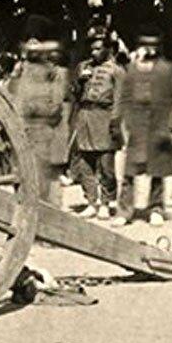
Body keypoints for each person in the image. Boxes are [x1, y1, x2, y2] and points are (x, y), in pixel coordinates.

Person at [114, 23, 172, 227]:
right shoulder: (131, 70)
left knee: (157, 170)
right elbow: (123, 98)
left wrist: (170, 126)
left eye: (154, 46)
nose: (149, 50)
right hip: (137, 125)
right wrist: (122, 123)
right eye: (145, 45)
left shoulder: (167, 69)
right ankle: (124, 210)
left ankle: (157, 208)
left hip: (159, 124)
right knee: (130, 171)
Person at [7, 15, 69, 205]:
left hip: (43, 133)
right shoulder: (19, 70)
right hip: (20, 132)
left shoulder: (55, 73)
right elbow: (8, 96)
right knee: (21, 177)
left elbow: (55, 107)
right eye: (29, 42)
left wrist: (32, 108)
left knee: (43, 181)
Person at [69, 28, 124, 219]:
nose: (94, 53)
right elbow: (74, 94)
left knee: (106, 165)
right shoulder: (83, 66)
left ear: (108, 50)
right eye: (92, 49)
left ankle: (107, 203)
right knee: (85, 163)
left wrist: (115, 125)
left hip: (105, 117)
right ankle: (91, 201)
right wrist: (79, 81)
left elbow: (119, 101)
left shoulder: (117, 71)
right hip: (85, 116)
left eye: (98, 49)